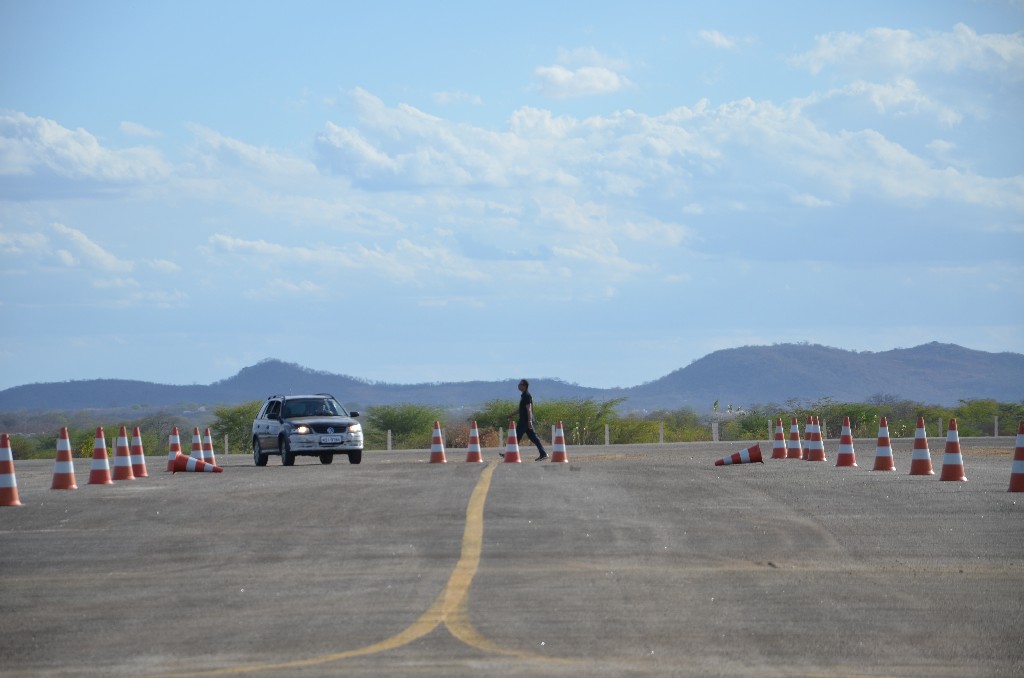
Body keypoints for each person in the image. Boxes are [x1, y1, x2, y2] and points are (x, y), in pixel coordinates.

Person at [501, 378, 548, 461]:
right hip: (525, 421)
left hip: (525, 421)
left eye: (520, 384)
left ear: (525, 386)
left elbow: (528, 409)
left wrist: (529, 421)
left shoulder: (527, 396)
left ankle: (509, 454)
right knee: (534, 438)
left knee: (516, 437)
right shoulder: (524, 396)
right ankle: (543, 453)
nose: (518, 385)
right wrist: (510, 414)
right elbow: (521, 409)